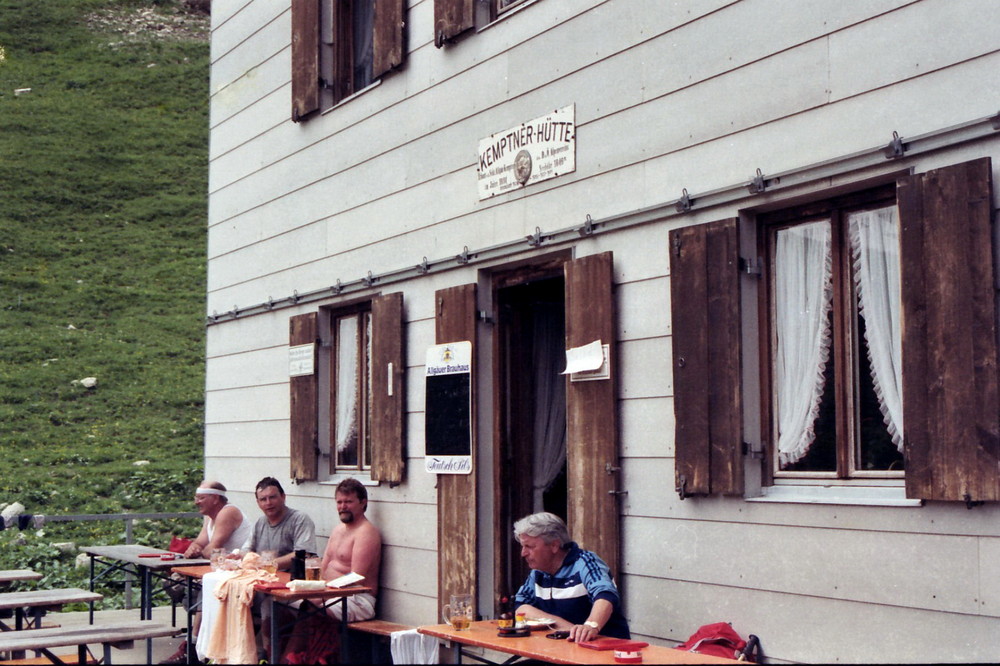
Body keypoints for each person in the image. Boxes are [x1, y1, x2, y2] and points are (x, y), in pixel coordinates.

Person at [161, 480, 253, 665]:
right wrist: (195, 547)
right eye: (196, 497)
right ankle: (198, 643)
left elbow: (212, 549)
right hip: (219, 570)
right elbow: (200, 543)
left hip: (238, 572)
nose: (196, 502)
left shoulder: (228, 512)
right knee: (173, 582)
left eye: (201, 498)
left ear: (215, 498)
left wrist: (199, 549)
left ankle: (192, 648)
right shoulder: (209, 517)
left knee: (205, 589)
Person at [512, 512, 630, 641]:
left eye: (529, 546)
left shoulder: (585, 562)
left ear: (554, 545)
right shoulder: (538, 572)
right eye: (523, 546)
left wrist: (590, 626)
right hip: (563, 649)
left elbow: (606, 596)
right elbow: (521, 607)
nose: (523, 553)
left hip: (604, 649)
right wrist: (562, 625)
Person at [318, 477, 382, 622]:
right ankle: (271, 645)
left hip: (357, 599)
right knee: (283, 607)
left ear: (363, 503)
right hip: (329, 593)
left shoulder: (366, 532)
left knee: (313, 613)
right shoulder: (337, 530)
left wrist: (319, 596)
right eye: (339, 502)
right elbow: (323, 568)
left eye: (348, 502)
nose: (343, 506)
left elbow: (355, 578)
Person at [249, 476, 316, 568]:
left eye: (272, 497)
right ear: (258, 503)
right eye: (263, 499)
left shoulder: (300, 519)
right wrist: (238, 556)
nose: (268, 503)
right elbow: (247, 550)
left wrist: (269, 564)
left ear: (283, 497)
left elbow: (303, 553)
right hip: (264, 576)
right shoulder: (259, 523)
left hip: (292, 578)